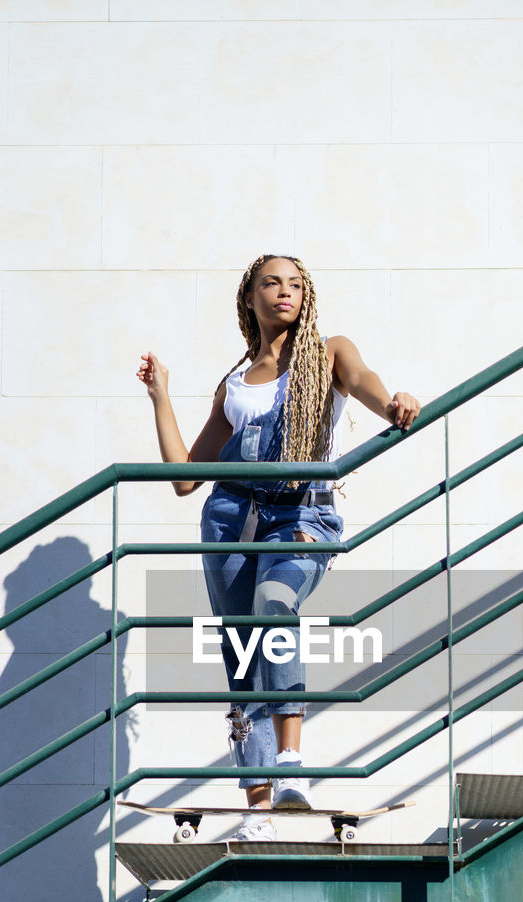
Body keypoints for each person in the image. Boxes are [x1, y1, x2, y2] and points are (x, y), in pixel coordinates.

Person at [138, 254, 420, 840]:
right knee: (242, 662)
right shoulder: (235, 382)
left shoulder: (329, 354)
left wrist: (394, 401)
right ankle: (257, 811)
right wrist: (161, 396)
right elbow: (187, 478)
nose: (284, 292)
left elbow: (366, 384)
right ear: (250, 298)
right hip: (228, 518)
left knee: (276, 602)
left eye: (295, 283)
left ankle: (291, 763)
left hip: (302, 514)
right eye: (272, 283)